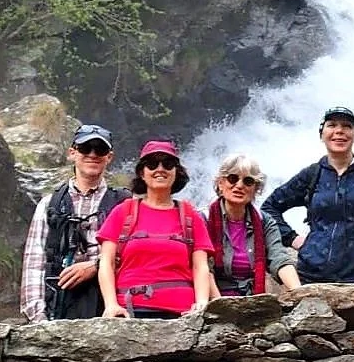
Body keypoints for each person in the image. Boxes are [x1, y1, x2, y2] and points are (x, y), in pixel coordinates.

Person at [261, 106, 354, 283]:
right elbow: (268, 208)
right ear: (322, 135)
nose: (339, 131)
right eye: (332, 125)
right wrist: (293, 239)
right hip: (312, 275)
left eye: (347, 126)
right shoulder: (313, 174)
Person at [20, 123, 129, 321]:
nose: (93, 154)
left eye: (100, 149)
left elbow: (136, 255)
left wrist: (95, 266)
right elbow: (34, 263)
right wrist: (39, 319)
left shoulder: (124, 203)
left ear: (109, 157)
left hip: (112, 306)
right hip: (59, 304)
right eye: (86, 148)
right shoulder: (49, 205)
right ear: (72, 153)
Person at [97, 140, 214, 318]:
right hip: (130, 310)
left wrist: (202, 304)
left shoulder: (191, 216)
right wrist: (111, 305)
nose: (160, 169)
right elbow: (107, 262)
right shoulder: (123, 212)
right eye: (152, 164)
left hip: (183, 313)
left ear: (176, 172)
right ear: (142, 173)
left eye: (168, 164)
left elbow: (201, 266)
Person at [206, 154, 301, 297]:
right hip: (213, 296)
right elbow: (203, 268)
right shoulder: (203, 219)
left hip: (253, 298)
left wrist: (299, 292)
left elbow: (279, 258)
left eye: (248, 181)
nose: (239, 185)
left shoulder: (265, 221)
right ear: (220, 183)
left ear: (256, 189)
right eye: (233, 178)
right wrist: (220, 304)